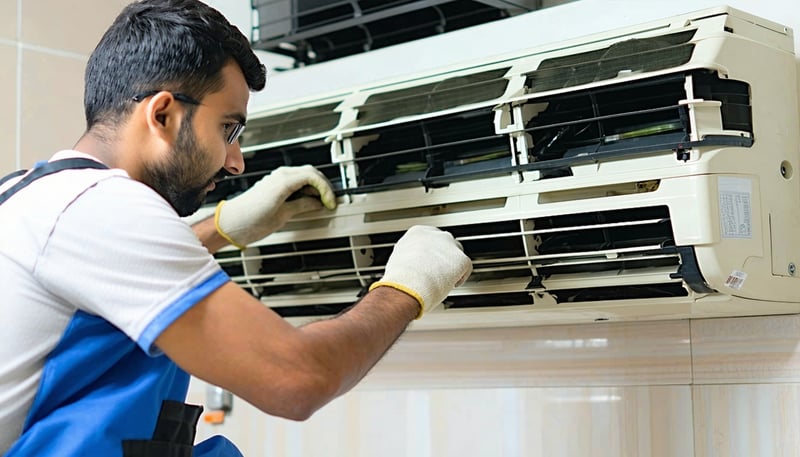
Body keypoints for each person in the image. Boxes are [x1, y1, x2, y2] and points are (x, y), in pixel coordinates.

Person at [0, 0, 473, 455]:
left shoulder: (30, 192)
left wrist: (221, 229)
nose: (235, 162)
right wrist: (407, 288)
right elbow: (298, 378)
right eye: (228, 129)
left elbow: (103, 280)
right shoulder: (105, 208)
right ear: (162, 115)